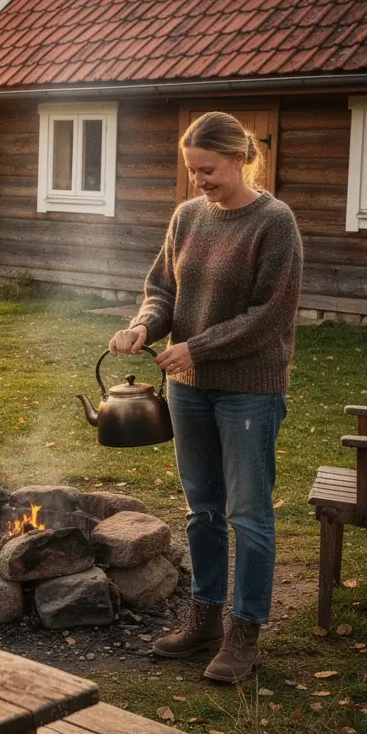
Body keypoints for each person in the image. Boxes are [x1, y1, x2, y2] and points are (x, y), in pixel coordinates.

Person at [108, 111, 303, 684]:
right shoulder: (187, 217)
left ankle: (244, 635)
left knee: (249, 513)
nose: (199, 180)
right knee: (203, 510)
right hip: (188, 390)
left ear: (240, 158)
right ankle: (204, 622)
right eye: (192, 170)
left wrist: (197, 347)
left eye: (209, 169)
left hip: (249, 391)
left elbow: (272, 315)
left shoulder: (275, 222)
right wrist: (145, 326)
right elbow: (162, 289)